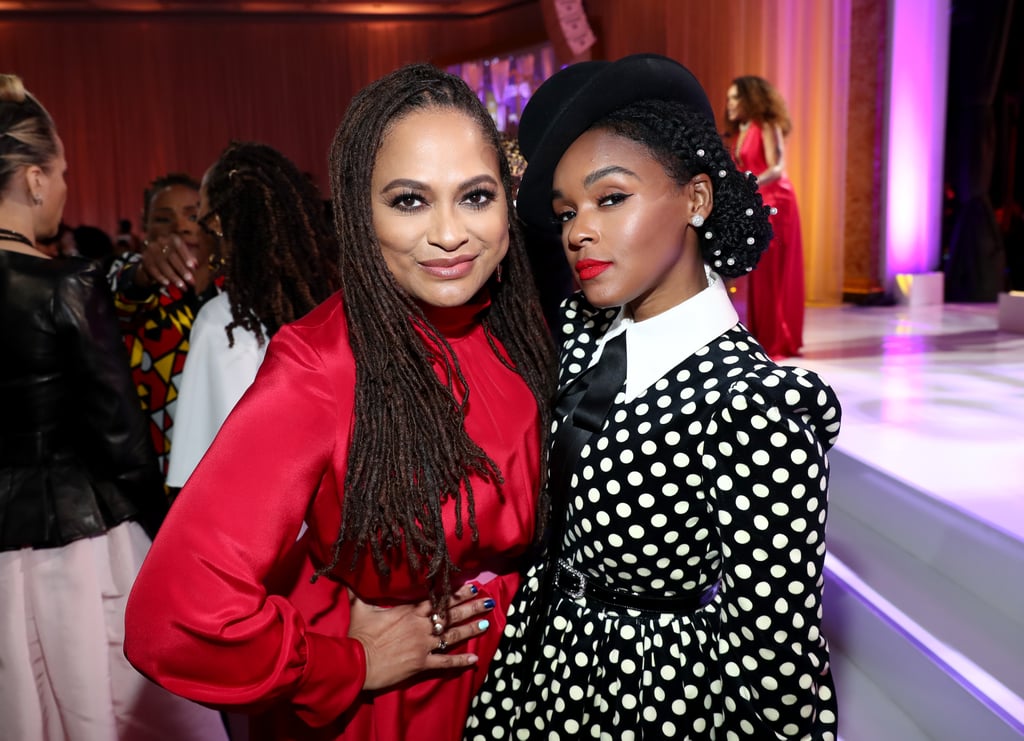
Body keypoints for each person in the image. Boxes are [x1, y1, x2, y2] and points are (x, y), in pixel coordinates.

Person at [124, 63, 558, 740]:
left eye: (475, 196)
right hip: (412, 706)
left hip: (534, 682)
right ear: (360, 212)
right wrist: (338, 660)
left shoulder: (522, 328)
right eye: (409, 201)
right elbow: (172, 614)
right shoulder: (322, 362)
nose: (450, 233)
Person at [463, 54, 842, 740]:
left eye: (611, 199)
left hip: (657, 698)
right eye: (566, 211)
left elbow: (779, 658)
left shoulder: (755, 407)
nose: (580, 230)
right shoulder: (584, 332)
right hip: (544, 667)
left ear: (696, 198)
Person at [0, 73, 227, 741]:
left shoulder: (78, 280)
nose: (66, 186)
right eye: (63, 170)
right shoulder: (65, 285)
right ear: (36, 179)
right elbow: (119, 435)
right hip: (79, 546)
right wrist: (166, 537)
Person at [166, 140, 342, 488]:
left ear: (216, 221)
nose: (193, 223)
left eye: (197, 209)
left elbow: (201, 469)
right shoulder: (332, 305)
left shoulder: (222, 321)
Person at [107, 172, 221, 479]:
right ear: (145, 230)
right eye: (162, 218)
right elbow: (122, 294)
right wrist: (142, 274)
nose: (181, 227)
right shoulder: (132, 277)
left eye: (193, 215)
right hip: (156, 470)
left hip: (229, 459)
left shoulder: (236, 287)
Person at [725, 74, 805, 359]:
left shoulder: (766, 125)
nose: (729, 104)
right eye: (729, 98)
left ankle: (774, 340)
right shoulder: (741, 129)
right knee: (757, 271)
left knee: (769, 269)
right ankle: (759, 336)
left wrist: (749, 184)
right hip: (757, 200)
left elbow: (777, 167)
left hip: (776, 200)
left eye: (735, 97)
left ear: (750, 98)